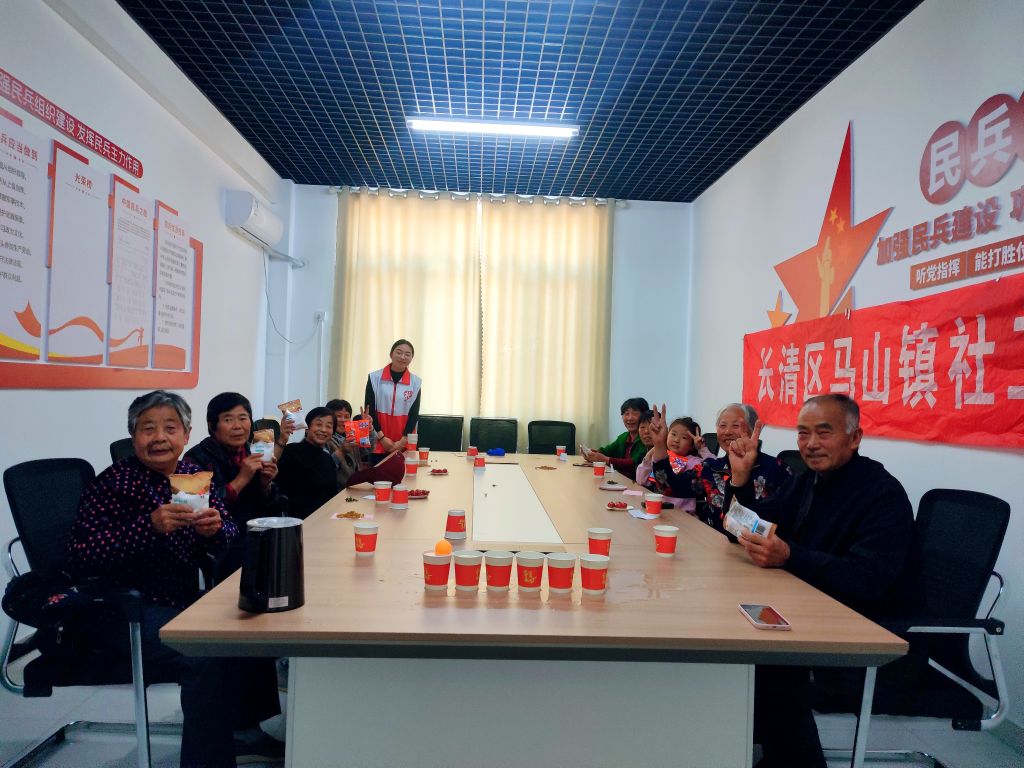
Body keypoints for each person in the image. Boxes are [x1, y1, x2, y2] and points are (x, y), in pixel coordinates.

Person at [725, 394, 917, 768]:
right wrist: (741, 479)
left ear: (854, 437)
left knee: (767, 663)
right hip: (812, 606)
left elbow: (867, 580)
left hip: (870, 629)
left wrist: (790, 556)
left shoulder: (882, 495)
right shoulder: (809, 480)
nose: (811, 444)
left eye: (824, 433)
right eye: (803, 433)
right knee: (738, 632)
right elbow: (753, 527)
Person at [67, 391, 241, 767]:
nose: (159, 437)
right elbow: (83, 553)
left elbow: (229, 527)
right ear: (133, 436)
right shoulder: (115, 483)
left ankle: (240, 733)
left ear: (186, 435)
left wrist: (215, 529)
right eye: (148, 429)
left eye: (170, 428)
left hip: (179, 600)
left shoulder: (191, 476)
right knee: (205, 654)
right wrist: (148, 527)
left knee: (248, 629)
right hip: (122, 609)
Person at [185, 392, 285, 579]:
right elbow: (199, 513)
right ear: (212, 426)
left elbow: (274, 508)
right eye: (228, 419)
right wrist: (242, 479)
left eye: (243, 418)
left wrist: (266, 484)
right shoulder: (195, 458)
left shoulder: (255, 451)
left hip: (257, 538)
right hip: (221, 548)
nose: (238, 426)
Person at [647, 403, 790, 530]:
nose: (727, 432)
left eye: (735, 426)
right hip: (713, 543)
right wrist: (659, 445)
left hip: (756, 548)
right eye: (722, 426)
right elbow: (669, 487)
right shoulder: (712, 467)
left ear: (753, 430)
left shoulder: (776, 468)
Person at [275, 407, 343, 520]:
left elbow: (332, 494)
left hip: (326, 518)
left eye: (328, 426)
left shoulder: (328, 459)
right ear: (307, 428)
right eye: (318, 424)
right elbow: (270, 472)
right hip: (298, 520)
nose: (323, 430)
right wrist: (282, 440)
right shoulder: (291, 451)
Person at [636, 416, 712, 515]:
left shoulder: (695, 462)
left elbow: (714, 467)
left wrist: (702, 448)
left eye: (684, 437)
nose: (676, 440)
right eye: (673, 434)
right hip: (659, 509)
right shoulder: (661, 459)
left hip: (683, 514)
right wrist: (652, 451)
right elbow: (641, 480)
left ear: (692, 445)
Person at [365, 339, 421, 460]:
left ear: (412, 358)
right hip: (378, 441)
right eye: (399, 352)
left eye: (408, 354)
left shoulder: (415, 382)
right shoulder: (375, 378)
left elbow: (414, 415)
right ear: (391, 354)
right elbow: (369, 411)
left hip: (404, 443)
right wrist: (382, 438)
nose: (403, 357)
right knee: (378, 472)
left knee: (405, 473)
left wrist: (402, 442)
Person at [583, 397, 649, 480]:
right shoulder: (624, 437)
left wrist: (605, 459)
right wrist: (590, 453)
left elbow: (634, 463)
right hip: (621, 480)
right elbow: (606, 452)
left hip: (636, 484)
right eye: (626, 414)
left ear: (644, 416)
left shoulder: (647, 439)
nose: (630, 418)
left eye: (635, 413)